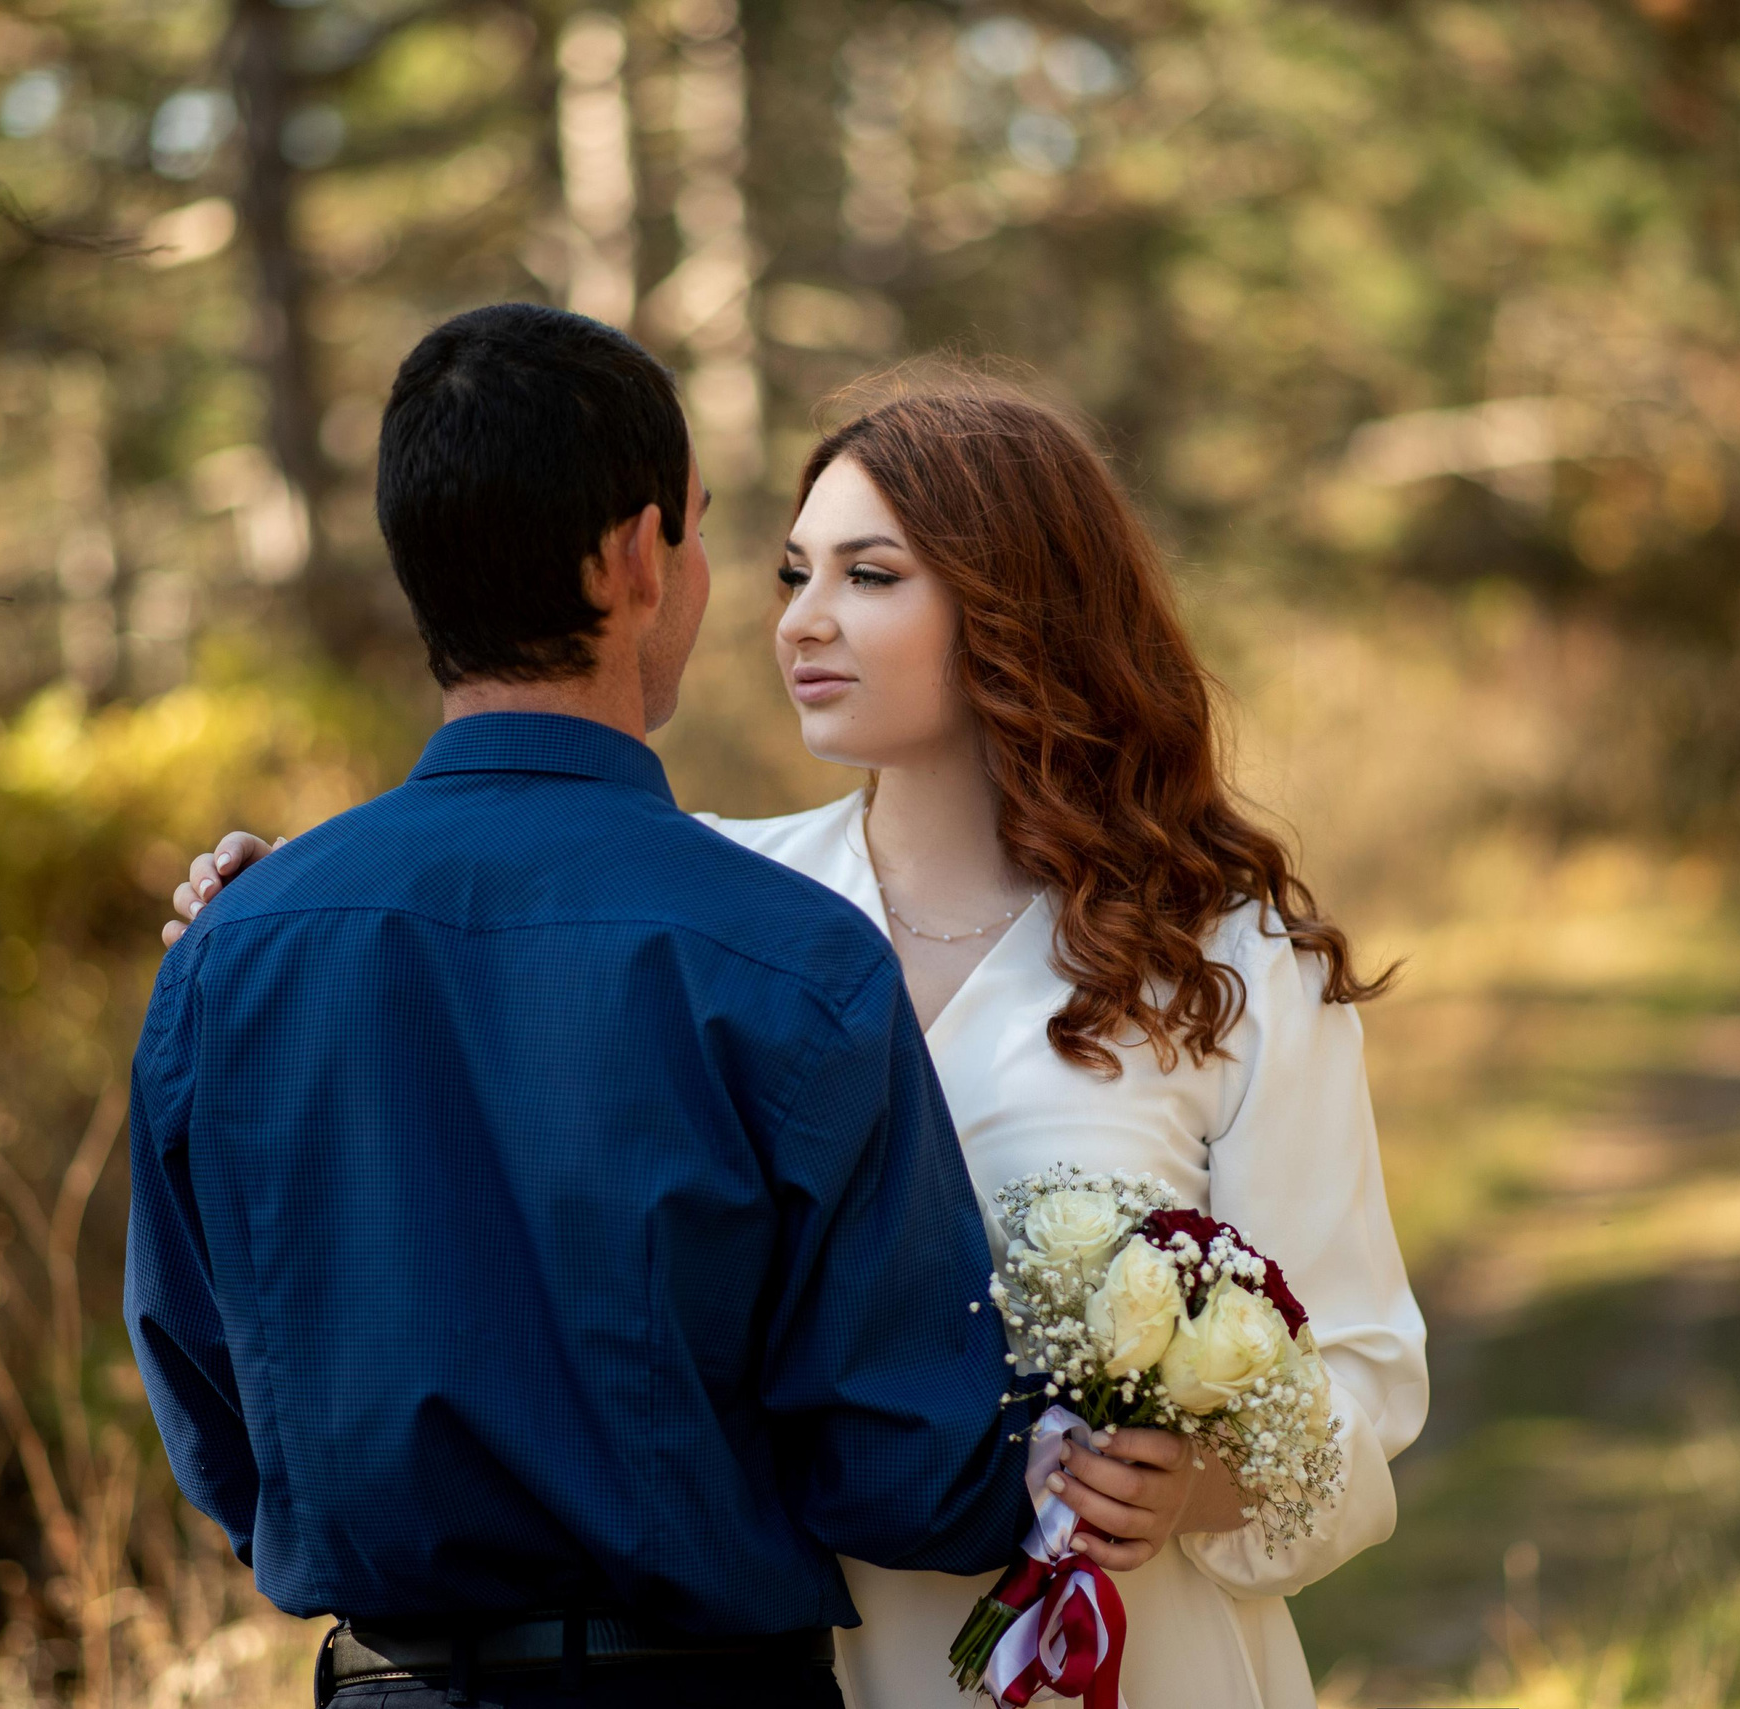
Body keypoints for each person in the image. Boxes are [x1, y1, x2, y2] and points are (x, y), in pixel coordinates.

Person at [167, 379, 1429, 1706]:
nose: (801, 621)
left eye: (869, 575)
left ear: (1019, 598)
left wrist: (1196, 1484)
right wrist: (267, 895)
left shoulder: (1228, 958)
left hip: (1116, 1654)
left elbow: (1360, 1383)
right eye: (788, 572)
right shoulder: (714, 900)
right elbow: (462, 923)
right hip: (776, 1662)